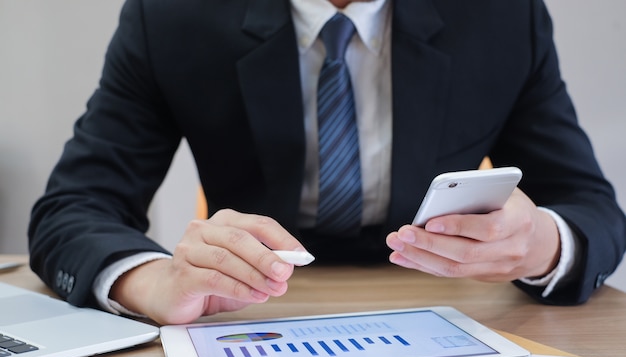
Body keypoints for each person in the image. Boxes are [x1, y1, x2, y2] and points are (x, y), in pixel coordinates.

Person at [28, 0, 626, 325]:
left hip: (442, 314)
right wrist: (154, 280)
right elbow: (72, 209)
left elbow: (591, 207)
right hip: (252, 317)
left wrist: (541, 244)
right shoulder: (171, 16)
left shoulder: (500, 15)